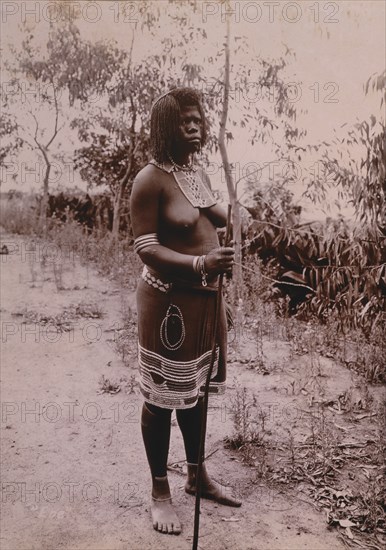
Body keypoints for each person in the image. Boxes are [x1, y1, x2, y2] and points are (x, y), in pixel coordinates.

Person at [130, 87, 241, 536]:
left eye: (199, 120)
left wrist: (237, 214)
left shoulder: (195, 174)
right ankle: (160, 491)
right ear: (165, 126)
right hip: (167, 306)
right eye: (185, 121)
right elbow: (145, 246)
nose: (195, 127)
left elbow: (217, 216)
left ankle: (197, 475)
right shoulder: (150, 179)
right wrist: (200, 263)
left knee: (194, 393)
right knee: (161, 399)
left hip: (205, 302)